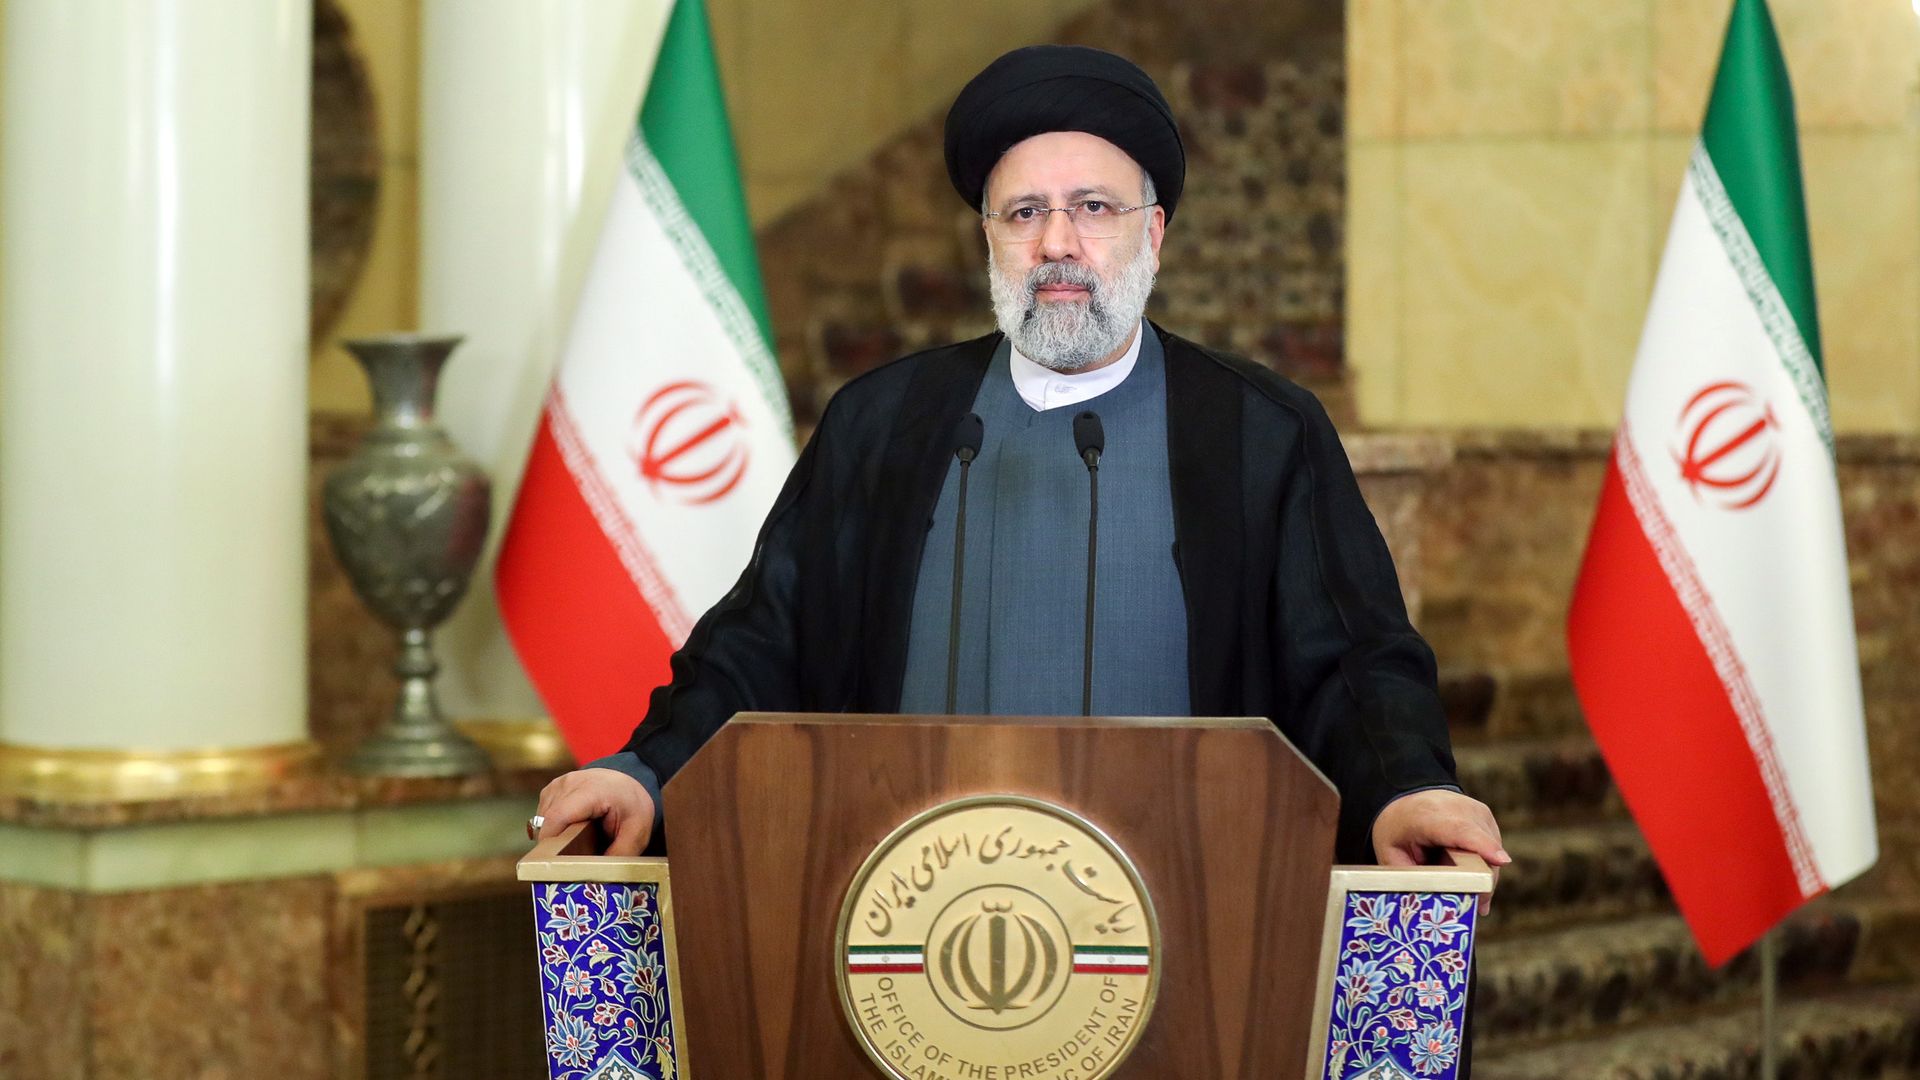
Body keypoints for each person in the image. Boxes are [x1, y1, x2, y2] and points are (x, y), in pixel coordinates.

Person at [532, 44, 1508, 900]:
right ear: (989, 239)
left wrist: (1407, 788)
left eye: (1094, 209)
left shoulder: (1259, 431)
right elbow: (760, 643)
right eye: (1025, 212)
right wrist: (644, 771)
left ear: (1153, 234)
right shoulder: (886, 423)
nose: (1057, 244)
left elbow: (1355, 662)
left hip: (1188, 922)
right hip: (907, 919)